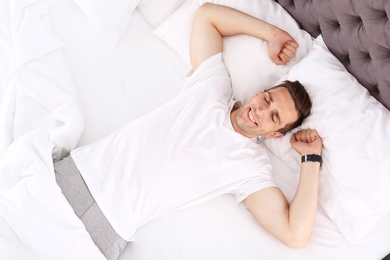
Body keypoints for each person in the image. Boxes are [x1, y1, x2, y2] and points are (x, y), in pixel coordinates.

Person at [54, 3, 323, 260]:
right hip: (80, 173)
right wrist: (272, 33)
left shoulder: (251, 169)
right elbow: (207, 15)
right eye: (267, 100)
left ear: (275, 134)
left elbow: (295, 235)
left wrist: (310, 160)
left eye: (273, 117)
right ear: (260, 93)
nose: (260, 111)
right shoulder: (213, 87)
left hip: (109, 226)